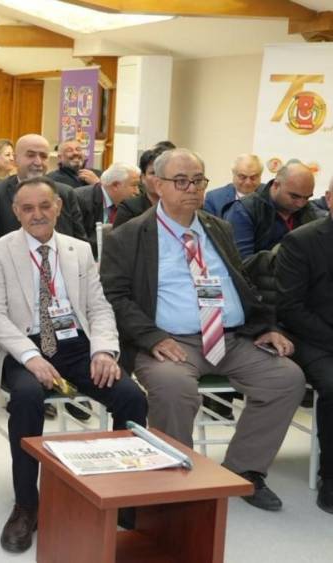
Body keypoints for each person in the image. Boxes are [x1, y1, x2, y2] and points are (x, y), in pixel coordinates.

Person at [100, 148, 306, 512]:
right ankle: (175, 479)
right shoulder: (130, 235)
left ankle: (244, 470)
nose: (192, 188)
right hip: (168, 341)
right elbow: (115, 296)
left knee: (286, 378)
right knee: (173, 388)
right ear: (157, 185)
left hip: (231, 337)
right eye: (181, 181)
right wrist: (152, 337)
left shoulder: (218, 228)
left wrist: (266, 327)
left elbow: (242, 283)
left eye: (198, 180)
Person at [0, 176, 147, 553]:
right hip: (23, 346)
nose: (37, 214)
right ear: (16, 212)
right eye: (27, 208)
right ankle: (26, 504)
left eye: (44, 206)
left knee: (132, 398)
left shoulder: (79, 249)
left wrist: (103, 350)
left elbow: (99, 307)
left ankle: (124, 494)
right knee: (26, 398)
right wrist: (31, 357)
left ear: (57, 207)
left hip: (76, 345)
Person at [275, 180, 333, 513]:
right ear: (329, 199)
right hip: (313, 336)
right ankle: (331, 476)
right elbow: (291, 308)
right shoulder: (301, 241)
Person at [0, 134, 87, 266]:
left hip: (60, 272)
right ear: (16, 159)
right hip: (13, 273)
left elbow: (79, 243)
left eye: (43, 156)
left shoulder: (65, 193)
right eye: (31, 155)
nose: (38, 162)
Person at [223, 161, 318, 258]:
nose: (300, 204)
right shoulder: (243, 211)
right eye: (294, 197)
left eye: (307, 198)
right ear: (276, 185)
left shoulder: (308, 210)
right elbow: (241, 262)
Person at [76, 163, 141, 257]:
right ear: (115, 185)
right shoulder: (80, 200)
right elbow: (79, 241)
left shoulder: (131, 205)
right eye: (134, 185)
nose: (137, 191)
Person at [112, 143, 174, 228]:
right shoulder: (129, 208)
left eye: (162, 172)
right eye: (153, 173)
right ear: (143, 178)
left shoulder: (180, 206)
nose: (158, 178)